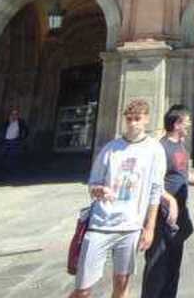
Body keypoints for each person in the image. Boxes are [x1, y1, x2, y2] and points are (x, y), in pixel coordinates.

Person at [70, 98, 165, 298]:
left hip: (130, 225)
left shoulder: (154, 150)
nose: (132, 123)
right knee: (83, 289)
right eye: (129, 119)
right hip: (100, 224)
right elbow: (93, 183)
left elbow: (156, 190)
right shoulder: (110, 148)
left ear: (147, 119)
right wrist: (99, 190)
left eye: (137, 118)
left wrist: (150, 227)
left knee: (122, 283)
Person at [143, 105, 194, 298]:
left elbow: (182, 175)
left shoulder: (180, 146)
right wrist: (167, 199)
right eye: (186, 121)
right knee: (156, 269)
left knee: (173, 268)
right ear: (177, 123)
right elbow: (150, 182)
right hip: (162, 216)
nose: (189, 124)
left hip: (178, 218)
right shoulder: (161, 148)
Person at [0, 107, 29, 178]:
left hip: (14, 141)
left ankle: (11, 171)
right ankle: (3, 170)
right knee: (4, 155)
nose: (14, 116)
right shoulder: (8, 121)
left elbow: (26, 130)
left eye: (15, 114)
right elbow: (2, 129)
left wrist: (22, 138)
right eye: (12, 114)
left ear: (18, 115)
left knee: (12, 156)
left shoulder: (20, 122)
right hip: (6, 140)